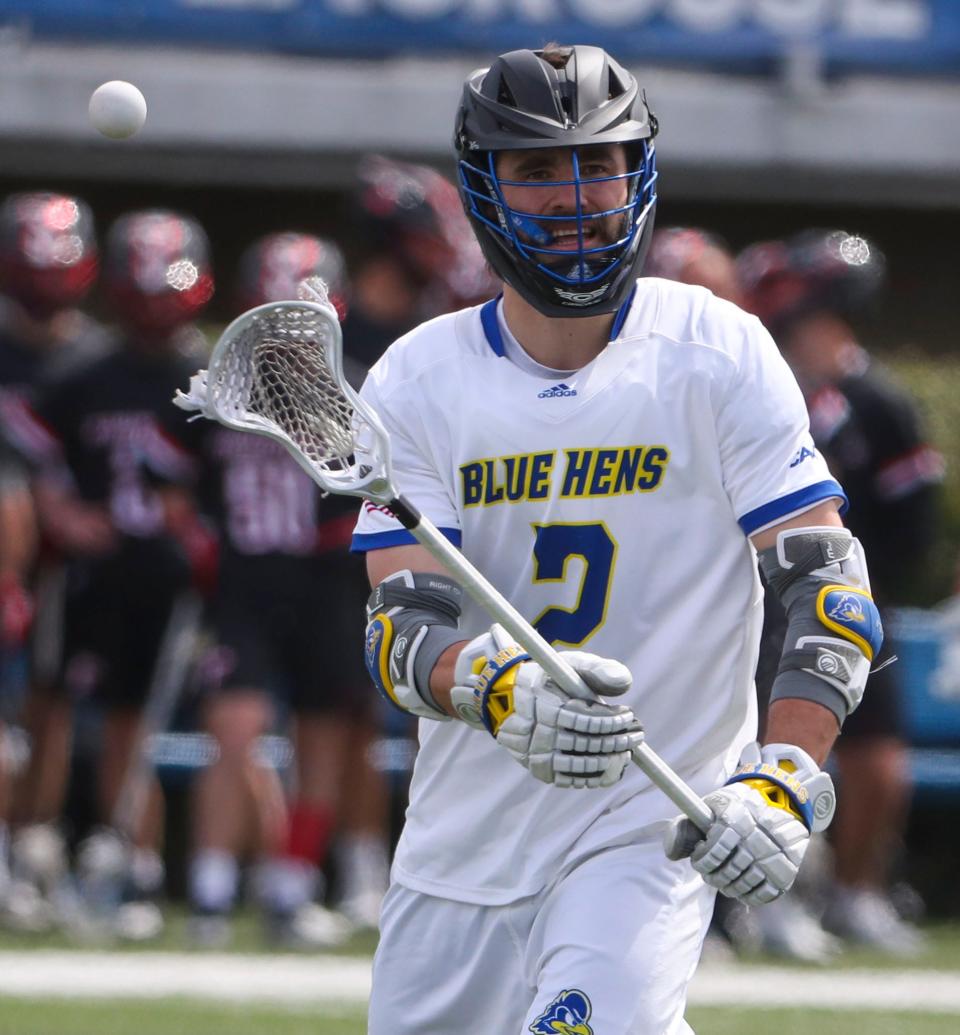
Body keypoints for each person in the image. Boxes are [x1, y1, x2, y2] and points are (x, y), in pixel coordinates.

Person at [351, 44, 880, 1033]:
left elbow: (827, 587)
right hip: (462, 850)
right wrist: (494, 686)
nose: (578, 196)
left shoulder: (715, 349)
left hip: (648, 832)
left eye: (600, 162)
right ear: (484, 187)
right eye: (540, 170)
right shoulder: (421, 378)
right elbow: (400, 630)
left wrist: (784, 776)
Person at [740, 229, 941, 956]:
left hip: (852, 602)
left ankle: (858, 892)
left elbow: (914, 510)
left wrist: (873, 572)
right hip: (767, 603)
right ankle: (766, 901)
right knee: (776, 746)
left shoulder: (874, 400)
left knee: (879, 763)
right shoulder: (757, 392)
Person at [168, 232, 366, 947]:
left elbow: (381, 499)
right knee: (235, 731)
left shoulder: (360, 390)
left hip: (323, 587)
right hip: (246, 586)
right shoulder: (217, 383)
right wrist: (196, 541)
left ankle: (290, 886)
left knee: (321, 737)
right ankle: (213, 888)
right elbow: (173, 483)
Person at [23, 208, 214, 938]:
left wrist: (196, 532)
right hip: (89, 574)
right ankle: (36, 856)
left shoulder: (204, 379)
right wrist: (64, 514)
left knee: (140, 720)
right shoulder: (87, 374)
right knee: (59, 708)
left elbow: (218, 481)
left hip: (165, 575)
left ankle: (133, 866)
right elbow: (37, 456)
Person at [0, 191, 110, 929]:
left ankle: (35, 847)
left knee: (54, 707)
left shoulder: (95, 360)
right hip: (10, 557)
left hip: (69, 570)